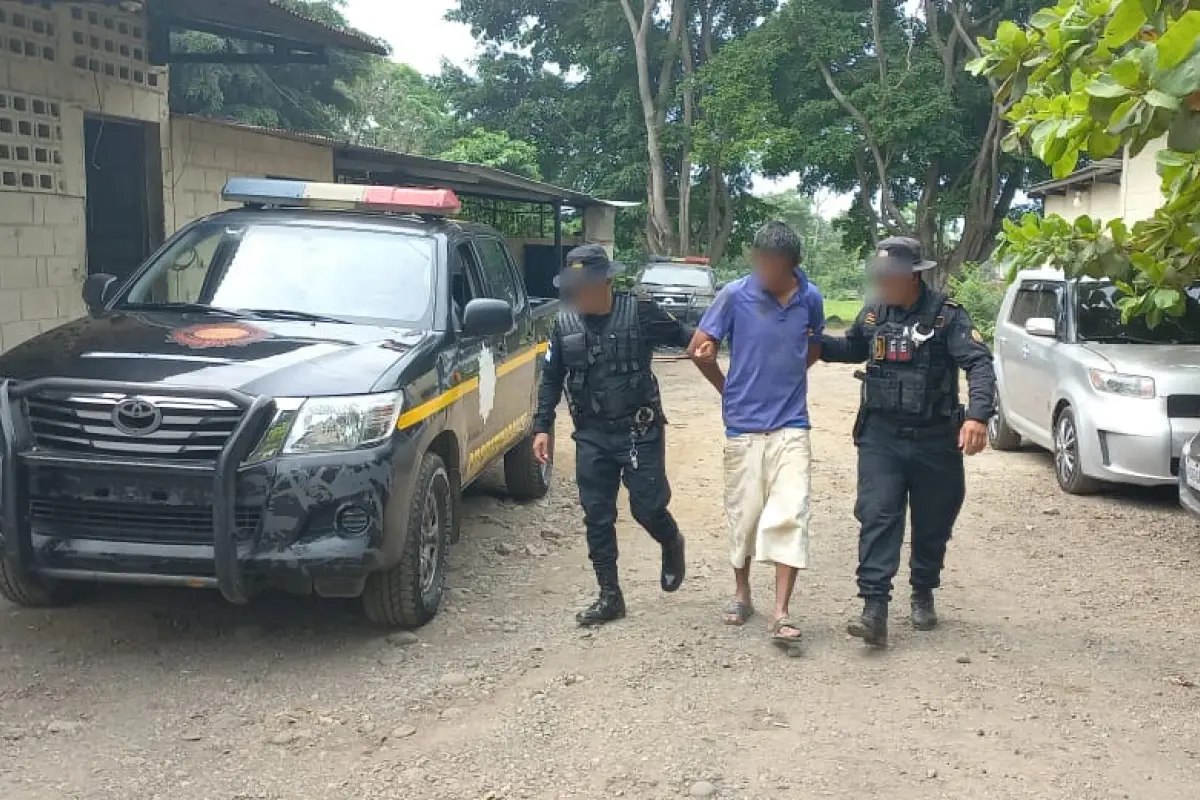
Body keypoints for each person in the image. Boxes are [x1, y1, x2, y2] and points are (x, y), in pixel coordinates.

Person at [819, 236, 995, 647]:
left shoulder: (947, 317)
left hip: (936, 439)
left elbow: (979, 364)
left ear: (913, 276)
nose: (882, 282)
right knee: (878, 515)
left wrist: (977, 416)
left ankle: (922, 589)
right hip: (881, 437)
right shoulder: (874, 313)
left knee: (933, 522)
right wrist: (812, 342)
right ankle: (873, 608)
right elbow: (850, 348)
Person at [532, 244, 691, 627]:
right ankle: (610, 597)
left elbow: (692, 339)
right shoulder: (564, 324)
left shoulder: (640, 313)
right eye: (573, 286)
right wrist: (542, 427)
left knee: (647, 507)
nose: (578, 293)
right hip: (592, 435)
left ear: (607, 282)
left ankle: (671, 541)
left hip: (640, 429)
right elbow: (552, 379)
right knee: (597, 516)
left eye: (585, 286)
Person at [689, 221, 824, 646]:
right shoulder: (734, 295)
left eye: (774, 265)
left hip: (791, 425)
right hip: (743, 426)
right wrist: (726, 387)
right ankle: (742, 592)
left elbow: (813, 347)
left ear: (793, 265)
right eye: (760, 261)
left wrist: (785, 380)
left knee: (791, 512)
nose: (765, 271)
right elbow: (699, 348)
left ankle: (782, 612)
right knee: (745, 516)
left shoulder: (811, 298)